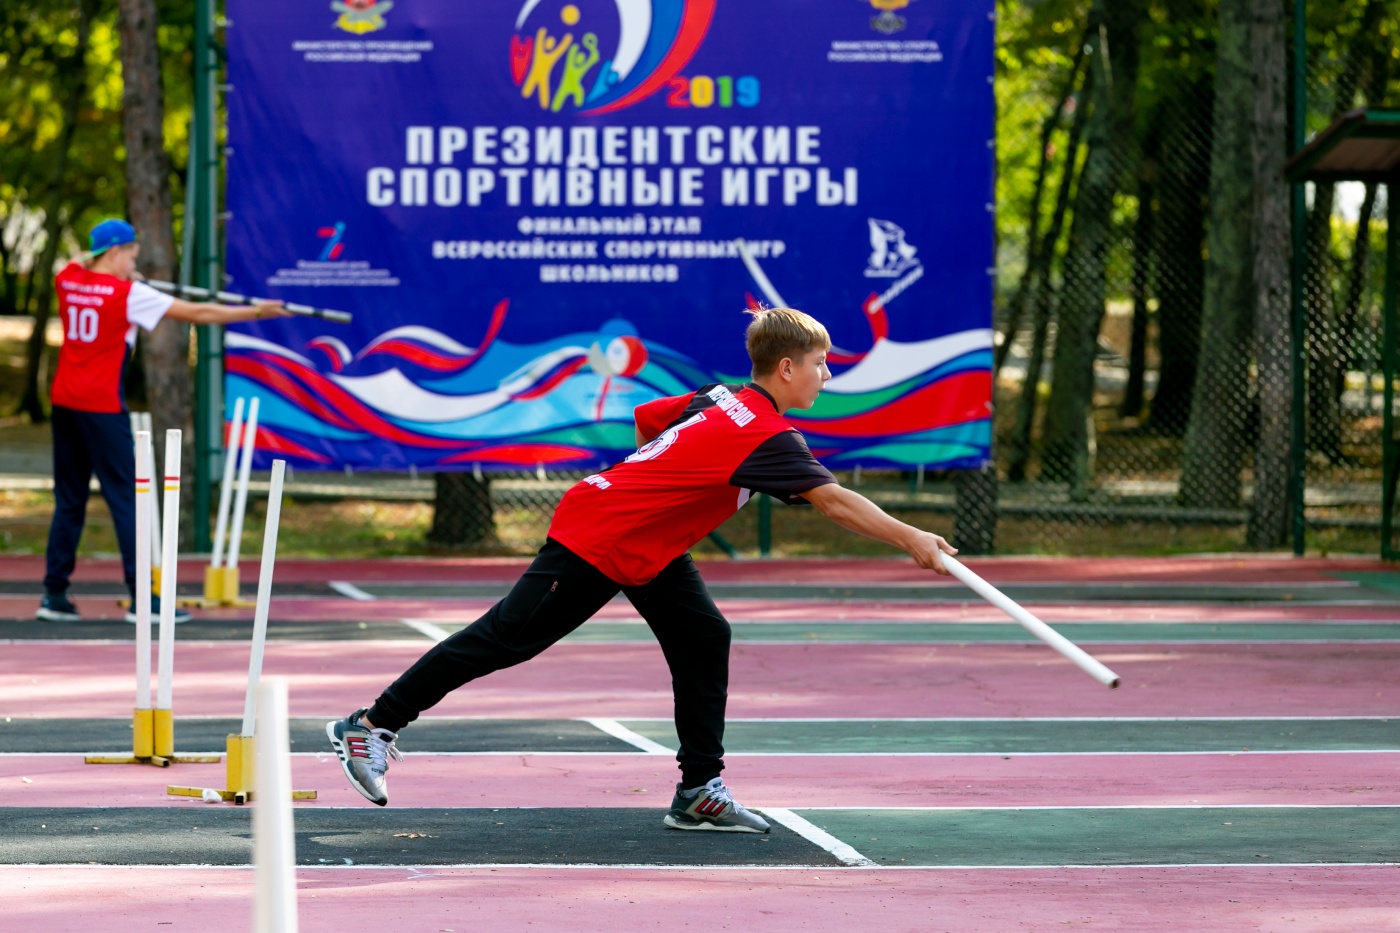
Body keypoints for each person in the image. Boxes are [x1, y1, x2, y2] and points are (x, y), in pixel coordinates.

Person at [326, 307, 958, 832]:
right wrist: (912, 539)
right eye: (821, 363)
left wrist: (667, 486)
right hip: (602, 533)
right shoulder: (766, 435)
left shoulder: (721, 400)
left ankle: (699, 789)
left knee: (705, 636)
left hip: (647, 544)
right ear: (787, 367)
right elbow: (834, 502)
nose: (827, 373)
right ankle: (371, 725)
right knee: (507, 638)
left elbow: (652, 423)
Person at [36, 218, 289, 624]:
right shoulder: (130, 294)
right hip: (101, 406)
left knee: (69, 501)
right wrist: (255, 310)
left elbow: (77, 260)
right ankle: (143, 600)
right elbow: (200, 313)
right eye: (131, 255)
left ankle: (53, 594)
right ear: (115, 252)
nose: (135, 264)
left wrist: (113, 266)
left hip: (65, 402)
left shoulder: (69, 280)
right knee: (127, 500)